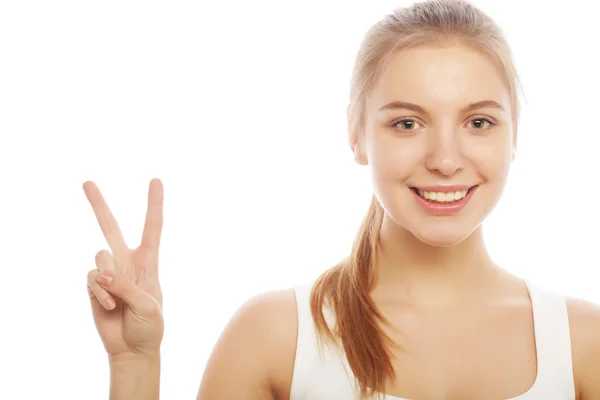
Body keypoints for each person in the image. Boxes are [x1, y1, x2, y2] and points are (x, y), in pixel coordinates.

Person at [82, 0, 600, 399]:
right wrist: (134, 363)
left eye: (479, 122)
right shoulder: (272, 336)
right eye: (407, 123)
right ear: (356, 136)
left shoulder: (583, 343)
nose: (445, 158)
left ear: (514, 137)